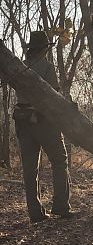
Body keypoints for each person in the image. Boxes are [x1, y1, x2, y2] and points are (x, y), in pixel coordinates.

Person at [13, 31, 72, 223]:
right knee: (59, 160)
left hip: (22, 119)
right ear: (45, 49)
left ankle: (35, 213)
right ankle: (61, 207)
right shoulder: (46, 67)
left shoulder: (20, 67)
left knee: (30, 169)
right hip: (42, 119)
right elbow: (52, 94)